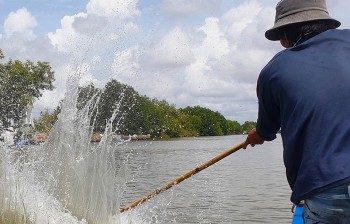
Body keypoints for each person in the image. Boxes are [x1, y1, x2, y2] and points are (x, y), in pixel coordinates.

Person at [242, 0, 350, 223]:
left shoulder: (274, 71)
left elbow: (265, 131)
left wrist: (256, 135)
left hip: (328, 186)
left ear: (284, 36)